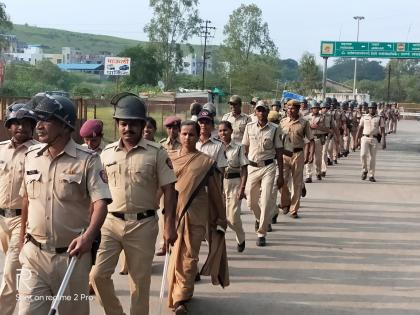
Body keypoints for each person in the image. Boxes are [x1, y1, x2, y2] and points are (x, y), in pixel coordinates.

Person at [18, 94, 112, 315]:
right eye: (38, 120)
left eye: (46, 120)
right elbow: (26, 200)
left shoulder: (87, 159)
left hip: (71, 259)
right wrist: (22, 239)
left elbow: (101, 203)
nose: (38, 126)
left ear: (65, 124)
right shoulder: (31, 156)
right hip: (34, 256)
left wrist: (88, 237)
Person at [90, 92, 178, 315]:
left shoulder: (157, 153)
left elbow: (169, 189)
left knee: (139, 282)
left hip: (143, 224)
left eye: (133, 124)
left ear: (142, 125)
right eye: (123, 123)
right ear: (117, 124)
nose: (128, 128)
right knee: (97, 276)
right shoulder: (106, 154)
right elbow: (96, 192)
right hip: (110, 223)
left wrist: (169, 227)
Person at [167, 120, 229, 315]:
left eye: (191, 134)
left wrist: (221, 216)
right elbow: (162, 189)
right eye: (184, 134)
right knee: (175, 255)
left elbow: (215, 192)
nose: (187, 138)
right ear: (178, 136)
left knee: (189, 256)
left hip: (196, 213)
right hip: (173, 213)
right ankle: (182, 292)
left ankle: (180, 300)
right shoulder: (169, 159)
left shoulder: (206, 162)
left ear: (197, 136)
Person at [0, 102, 38, 315]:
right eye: (16, 123)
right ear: (9, 126)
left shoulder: (37, 153)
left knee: (10, 270)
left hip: (21, 219)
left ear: (32, 126)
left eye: (26, 124)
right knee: (18, 271)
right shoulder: (1, 150)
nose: (21, 128)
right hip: (1, 220)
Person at [242, 101, 284, 246]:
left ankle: (261, 233)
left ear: (267, 112)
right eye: (258, 110)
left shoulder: (274, 129)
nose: (260, 113)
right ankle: (260, 218)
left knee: (265, 200)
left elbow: (279, 152)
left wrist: (281, 174)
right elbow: (245, 148)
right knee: (251, 202)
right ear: (255, 112)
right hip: (252, 167)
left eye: (263, 110)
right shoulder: (249, 127)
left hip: (268, 167)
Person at [280, 100, 314, 219]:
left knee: (296, 183)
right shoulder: (282, 122)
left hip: (298, 154)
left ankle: (294, 209)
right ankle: (285, 203)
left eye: (293, 108)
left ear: (298, 109)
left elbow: (311, 139)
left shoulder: (304, 123)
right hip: (284, 155)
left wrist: (310, 154)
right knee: (282, 181)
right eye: (289, 108)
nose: (290, 110)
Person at [218, 121, 248, 252]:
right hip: (219, 184)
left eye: (225, 130)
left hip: (234, 183)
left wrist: (242, 188)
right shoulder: (216, 147)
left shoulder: (238, 147)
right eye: (220, 131)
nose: (222, 133)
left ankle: (241, 237)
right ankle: (218, 246)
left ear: (231, 131)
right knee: (219, 217)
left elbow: (244, 169)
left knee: (233, 218)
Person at [155, 115, 182, 257]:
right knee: (164, 214)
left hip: (180, 184)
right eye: (169, 128)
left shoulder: (184, 143)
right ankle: (163, 244)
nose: (172, 130)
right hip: (165, 184)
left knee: (178, 215)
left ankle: (177, 244)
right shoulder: (161, 145)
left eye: (175, 128)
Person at [355, 101, 386, 182]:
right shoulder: (364, 117)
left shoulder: (379, 118)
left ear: (376, 109)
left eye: (373, 108)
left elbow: (382, 130)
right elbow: (359, 129)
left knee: (372, 158)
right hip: (365, 138)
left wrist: (383, 140)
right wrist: (356, 140)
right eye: (370, 108)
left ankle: (371, 175)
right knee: (363, 155)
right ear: (368, 109)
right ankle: (364, 170)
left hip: (374, 139)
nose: (371, 109)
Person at [305, 101, 328, 182]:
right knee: (308, 157)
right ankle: (308, 175)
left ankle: (318, 172)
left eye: (317, 108)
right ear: (311, 109)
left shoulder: (323, 117)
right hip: (309, 139)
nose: (315, 109)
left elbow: (327, 129)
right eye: (314, 108)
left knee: (317, 158)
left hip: (318, 139)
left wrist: (318, 127)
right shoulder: (307, 117)